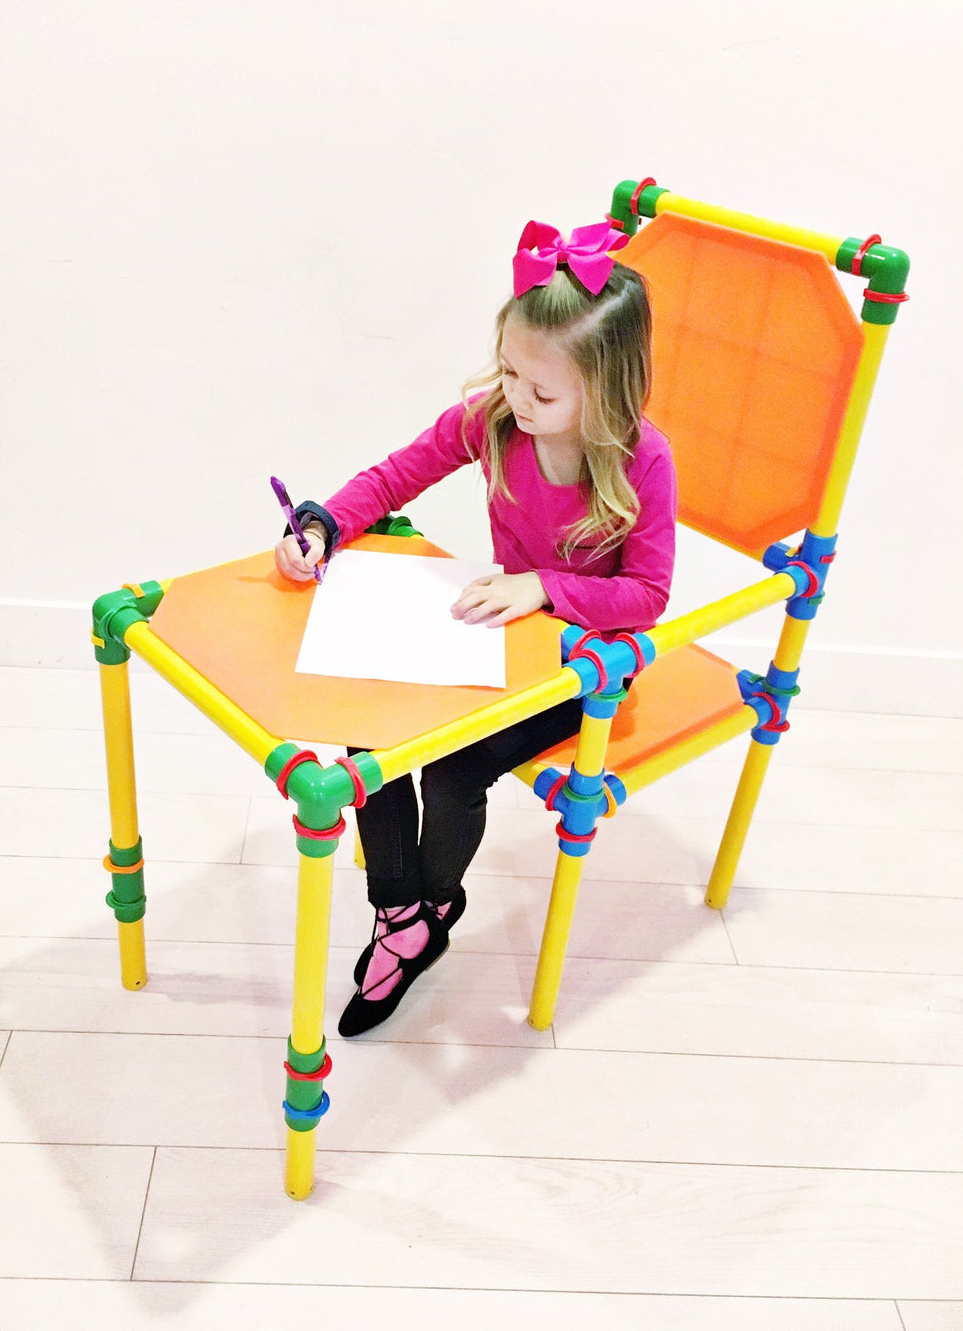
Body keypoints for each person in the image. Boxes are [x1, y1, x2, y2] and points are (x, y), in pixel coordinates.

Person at [274, 219, 678, 1036]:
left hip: (583, 664)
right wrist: (323, 525)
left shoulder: (644, 462)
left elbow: (647, 595)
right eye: (510, 375)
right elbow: (394, 475)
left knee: (452, 773)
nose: (518, 401)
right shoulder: (495, 420)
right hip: (488, 640)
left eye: (542, 391)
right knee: (367, 741)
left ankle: (430, 906)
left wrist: (543, 587)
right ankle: (405, 918)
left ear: (607, 386)